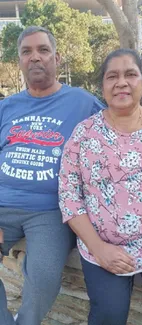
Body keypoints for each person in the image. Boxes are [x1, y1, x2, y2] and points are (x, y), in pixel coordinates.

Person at [0, 25, 104, 325]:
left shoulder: (83, 103)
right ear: (19, 61)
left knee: (44, 276)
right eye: (27, 52)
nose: (35, 58)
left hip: (50, 211)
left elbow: (120, 126)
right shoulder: (7, 107)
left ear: (57, 58)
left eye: (43, 50)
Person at [59, 48, 142, 325]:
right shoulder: (84, 134)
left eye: (130, 74)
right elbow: (69, 196)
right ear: (102, 87)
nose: (121, 82)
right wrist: (98, 248)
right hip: (102, 246)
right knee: (108, 316)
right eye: (112, 76)